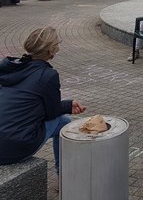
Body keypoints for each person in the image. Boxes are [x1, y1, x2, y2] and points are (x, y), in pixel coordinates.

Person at [0, 27, 86, 172]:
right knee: (63, 122)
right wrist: (66, 107)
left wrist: (67, 105)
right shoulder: (48, 75)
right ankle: (63, 176)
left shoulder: (11, 67)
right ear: (50, 51)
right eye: (57, 43)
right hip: (14, 148)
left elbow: (26, 102)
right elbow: (52, 113)